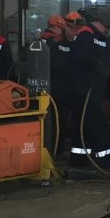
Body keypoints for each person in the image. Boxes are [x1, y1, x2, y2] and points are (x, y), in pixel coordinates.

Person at [68, 12, 110, 170]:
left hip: (95, 89)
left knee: (89, 124)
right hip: (84, 90)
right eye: (107, 28)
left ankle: (83, 159)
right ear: (100, 22)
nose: (108, 31)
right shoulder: (85, 36)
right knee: (95, 124)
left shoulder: (101, 38)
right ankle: (102, 160)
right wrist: (97, 66)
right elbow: (81, 56)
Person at [40, 15, 72, 153]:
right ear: (55, 27)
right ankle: (57, 149)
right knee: (59, 119)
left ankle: (51, 147)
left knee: (51, 118)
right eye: (61, 28)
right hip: (59, 87)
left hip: (49, 87)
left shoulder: (44, 40)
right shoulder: (53, 41)